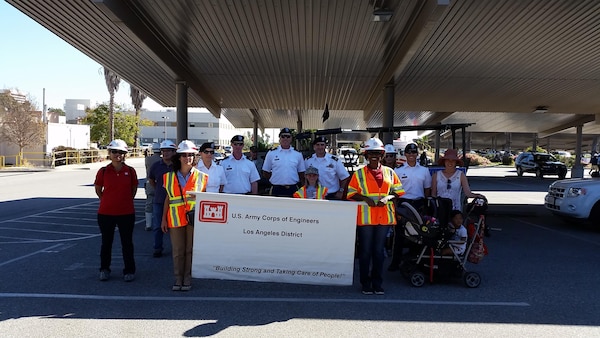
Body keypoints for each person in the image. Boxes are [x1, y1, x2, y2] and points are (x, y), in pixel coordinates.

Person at [347, 137, 405, 295]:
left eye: (378, 153)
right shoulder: (359, 174)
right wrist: (366, 199)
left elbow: (398, 192)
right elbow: (351, 194)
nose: (374, 156)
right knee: (365, 252)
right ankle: (365, 283)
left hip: (383, 218)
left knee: (379, 252)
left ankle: (377, 282)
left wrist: (388, 198)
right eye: (371, 153)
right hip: (366, 219)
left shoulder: (390, 173)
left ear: (383, 155)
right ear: (366, 155)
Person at [161, 140, 208, 291]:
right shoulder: (168, 177)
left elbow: (205, 199)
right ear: (179, 157)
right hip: (175, 219)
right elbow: (168, 199)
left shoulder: (202, 177)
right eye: (184, 155)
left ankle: (187, 278)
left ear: (195, 157)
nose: (187, 158)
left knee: (190, 250)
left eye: (190, 155)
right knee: (178, 250)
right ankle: (178, 278)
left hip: (193, 219)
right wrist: (163, 219)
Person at [94, 139, 138, 282]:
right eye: (114, 152)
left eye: (120, 152)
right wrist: (107, 200)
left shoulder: (130, 171)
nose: (117, 155)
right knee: (106, 243)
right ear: (109, 153)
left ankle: (129, 270)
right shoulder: (104, 171)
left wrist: (124, 201)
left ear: (125, 154)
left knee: (127, 243)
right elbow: (98, 189)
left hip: (126, 213)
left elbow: (133, 190)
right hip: (106, 213)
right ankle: (104, 269)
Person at [388, 143, 432, 271]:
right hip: (403, 204)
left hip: (418, 204)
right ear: (405, 154)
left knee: (418, 234)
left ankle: (414, 261)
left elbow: (427, 189)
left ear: (417, 155)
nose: (411, 155)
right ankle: (395, 263)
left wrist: (425, 206)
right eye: (409, 153)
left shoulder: (424, 171)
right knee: (399, 234)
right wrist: (395, 208)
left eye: (414, 153)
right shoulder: (398, 170)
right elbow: (394, 191)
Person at [431, 149, 484, 226]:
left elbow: (467, 193)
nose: (450, 162)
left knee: (456, 231)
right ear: (444, 161)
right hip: (441, 209)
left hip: (455, 208)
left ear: (456, 162)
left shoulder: (461, 175)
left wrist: (477, 195)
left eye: (453, 160)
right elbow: (433, 194)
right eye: (448, 160)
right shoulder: (436, 175)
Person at [147, 140, 177, 258]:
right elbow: (152, 181)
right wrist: (160, 190)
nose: (165, 153)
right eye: (163, 151)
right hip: (159, 200)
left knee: (175, 227)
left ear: (174, 152)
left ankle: (176, 248)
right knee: (158, 226)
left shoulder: (178, 166)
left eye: (168, 151)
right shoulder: (156, 166)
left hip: (175, 201)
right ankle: (157, 248)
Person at [262, 127, 306, 197]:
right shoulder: (271, 153)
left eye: (288, 136)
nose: (285, 138)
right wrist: (275, 178)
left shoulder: (297, 154)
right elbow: (265, 172)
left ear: (291, 138)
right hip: (276, 189)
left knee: (293, 208)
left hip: (293, 188)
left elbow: (301, 173)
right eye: (283, 136)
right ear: (279, 138)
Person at [144, 143, 162, 231]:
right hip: (160, 184)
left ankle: (148, 224)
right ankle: (159, 223)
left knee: (149, 203)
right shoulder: (162, 160)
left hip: (149, 183)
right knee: (161, 204)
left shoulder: (147, 159)